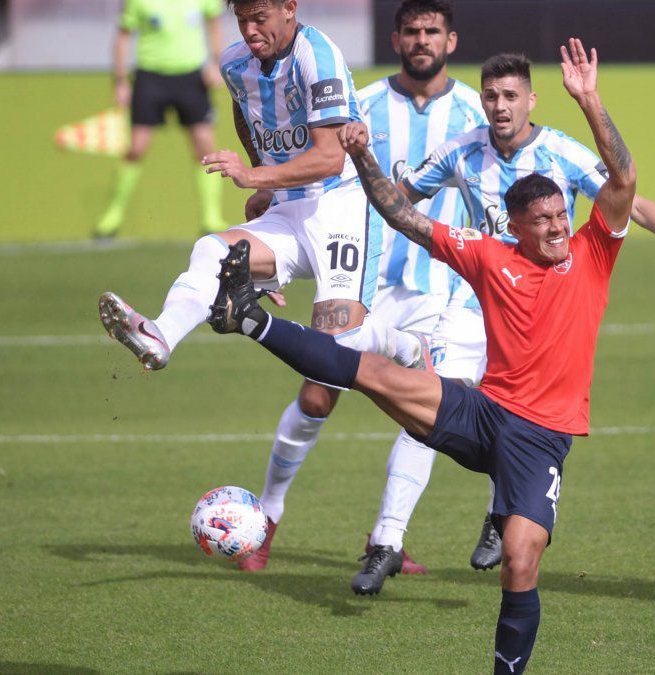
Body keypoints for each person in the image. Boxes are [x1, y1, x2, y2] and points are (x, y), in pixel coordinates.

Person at [210, 38, 631, 674]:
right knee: (372, 372)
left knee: (520, 558)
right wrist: (364, 155)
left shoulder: (592, 253)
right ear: (513, 226)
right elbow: (401, 212)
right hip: (487, 410)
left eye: (557, 215)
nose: (553, 227)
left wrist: (590, 100)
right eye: (539, 219)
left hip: (541, 439)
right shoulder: (491, 256)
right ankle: (250, 318)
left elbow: (623, 179)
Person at [391, 50, 655, 576]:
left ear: (531, 100)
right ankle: (387, 539)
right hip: (475, 303)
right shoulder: (460, 152)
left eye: (511, 95)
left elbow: (628, 199)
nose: (500, 106)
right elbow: (397, 201)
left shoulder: (559, 151)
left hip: (546, 308)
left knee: (519, 415)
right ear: (480, 100)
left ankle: (500, 511)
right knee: (424, 406)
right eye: (491, 96)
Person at [237, 0, 487, 586]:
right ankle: (268, 515)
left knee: (428, 411)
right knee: (319, 396)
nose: (422, 40)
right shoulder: (361, 104)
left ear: (451, 40)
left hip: (438, 295)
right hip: (363, 281)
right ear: (396, 38)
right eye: (412, 31)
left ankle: (387, 538)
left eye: (433, 32)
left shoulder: (478, 114)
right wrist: (269, 204)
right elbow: (310, 168)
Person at [99, 1, 415, 383]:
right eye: (242, 19)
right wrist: (267, 179)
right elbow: (243, 109)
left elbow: (331, 158)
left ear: (289, 8)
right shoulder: (234, 63)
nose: (249, 30)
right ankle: (160, 334)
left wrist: (255, 177)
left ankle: (405, 345)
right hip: (288, 208)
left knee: (338, 347)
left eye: (259, 18)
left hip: (340, 204)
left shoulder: (316, 54)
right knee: (212, 251)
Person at [95, 0, 227, 239]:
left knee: (205, 148)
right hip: (150, 77)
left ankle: (211, 218)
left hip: (192, 77)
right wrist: (121, 79)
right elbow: (123, 37)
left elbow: (215, 23)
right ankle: (111, 218)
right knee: (136, 148)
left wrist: (216, 62)